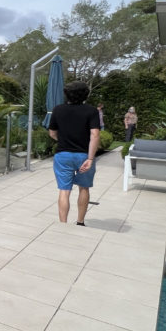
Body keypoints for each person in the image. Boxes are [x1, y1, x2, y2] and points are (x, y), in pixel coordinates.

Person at [48, 80, 101, 226]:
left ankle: (63, 224)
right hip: (84, 155)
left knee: (64, 191)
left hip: (63, 155)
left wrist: (63, 139)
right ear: (85, 94)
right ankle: (80, 222)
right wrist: (90, 158)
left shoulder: (58, 109)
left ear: (67, 94)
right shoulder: (91, 111)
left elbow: (52, 133)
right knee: (84, 188)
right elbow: (95, 135)